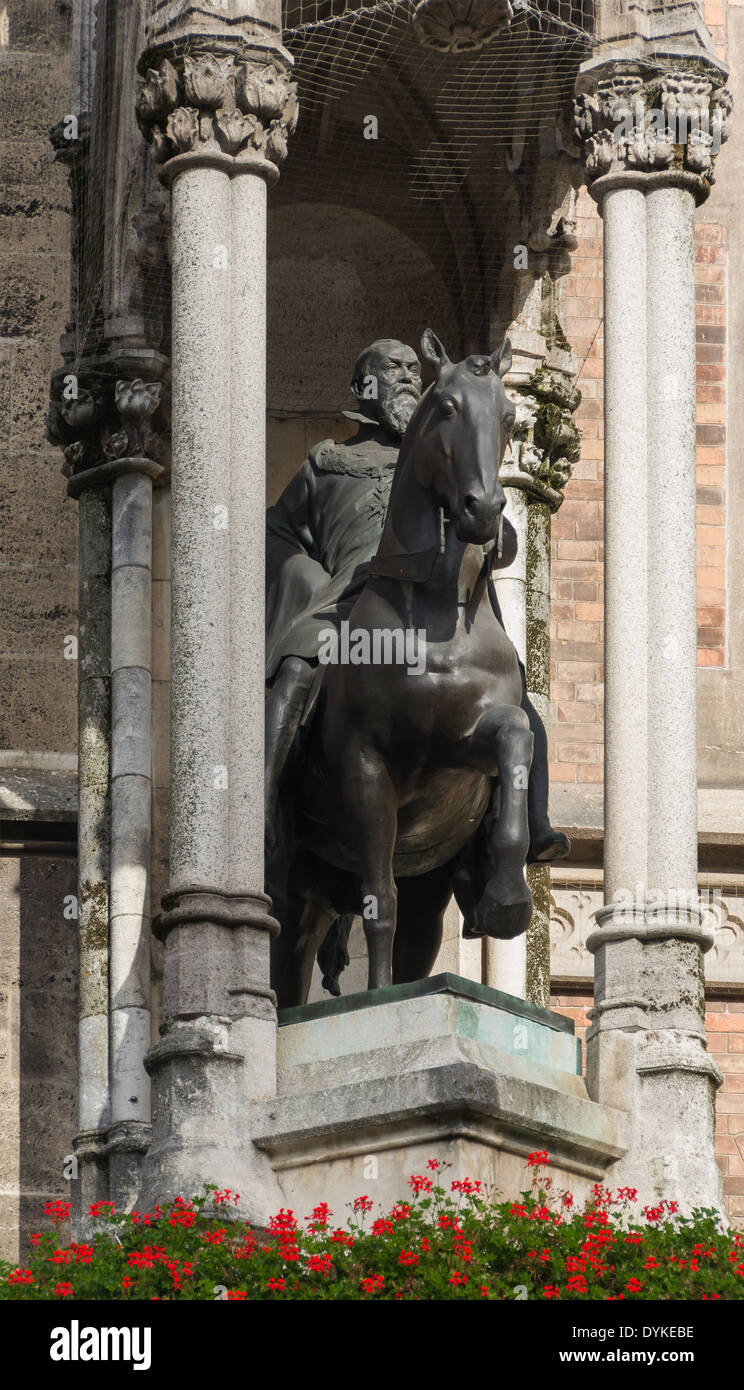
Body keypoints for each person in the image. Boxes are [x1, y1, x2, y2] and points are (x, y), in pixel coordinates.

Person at [265, 336, 569, 864]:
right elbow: (276, 534)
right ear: (363, 387)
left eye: (413, 369)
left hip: (442, 602)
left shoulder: (445, 449)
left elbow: (492, 528)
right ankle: (265, 811)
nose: (408, 377)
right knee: (295, 669)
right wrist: (308, 583)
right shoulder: (328, 462)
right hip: (344, 599)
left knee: (515, 697)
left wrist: (493, 532)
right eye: (393, 369)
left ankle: (523, 826)